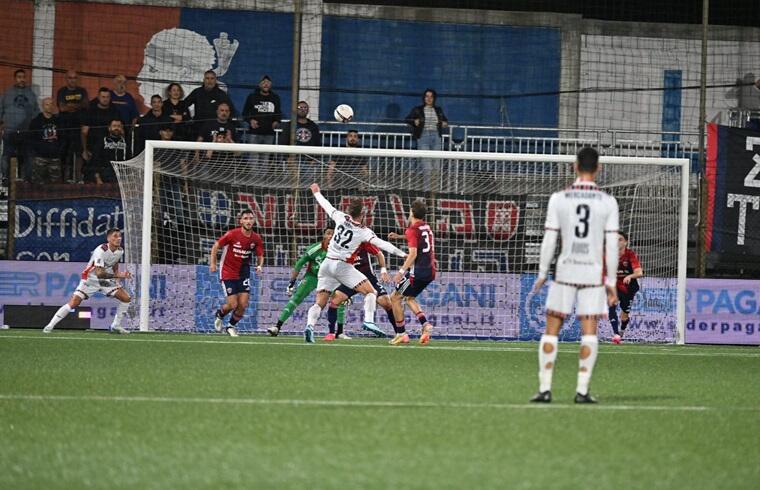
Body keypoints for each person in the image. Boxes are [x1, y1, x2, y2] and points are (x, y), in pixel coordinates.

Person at [529, 147, 619, 404]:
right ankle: (581, 391)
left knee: (551, 328)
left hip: (566, 270)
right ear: (598, 168)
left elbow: (550, 238)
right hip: (592, 274)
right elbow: (611, 245)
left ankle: (545, 389)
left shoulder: (559, 198)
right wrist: (611, 281)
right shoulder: (607, 202)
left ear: (574, 166)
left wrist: (543, 271)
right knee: (589, 330)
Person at [304, 183, 406, 343]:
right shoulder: (363, 231)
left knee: (320, 302)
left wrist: (316, 192)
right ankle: (369, 321)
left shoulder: (339, 216)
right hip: (342, 266)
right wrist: (402, 254)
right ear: (362, 214)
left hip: (327, 264)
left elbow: (326, 205)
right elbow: (382, 244)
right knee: (371, 292)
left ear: (349, 211)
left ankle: (310, 326)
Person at [43, 228, 131, 334]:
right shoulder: (100, 251)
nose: (119, 238)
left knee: (126, 298)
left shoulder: (120, 250)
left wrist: (116, 276)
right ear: (108, 238)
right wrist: (117, 275)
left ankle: (115, 325)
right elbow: (99, 274)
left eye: (120, 236)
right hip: (91, 279)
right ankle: (50, 326)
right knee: (74, 303)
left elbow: (115, 262)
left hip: (105, 281)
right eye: (115, 236)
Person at [267, 227, 349, 339]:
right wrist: (292, 282)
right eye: (328, 233)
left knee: (339, 301)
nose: (330, 236)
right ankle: (277, 327)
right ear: (324, 235)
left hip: (330, 279)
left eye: (333, 234)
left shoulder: (340, 251)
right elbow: (299, 264)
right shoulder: (315, 249)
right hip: (312, 277)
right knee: (296, 298)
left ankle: (339, 332)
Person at [387, 200, 437, 345]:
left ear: (412, 213)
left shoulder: (412, 230)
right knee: (409, 298)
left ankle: (402, 333)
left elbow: (413, 253)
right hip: (430, 272)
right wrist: (399, 237)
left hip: (418, 273)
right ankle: (426, 325)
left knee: (395, 298)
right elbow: (417, 240)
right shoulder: (426, 227)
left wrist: (401, 272)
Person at [209, 209, 265, 337]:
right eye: (245, 218)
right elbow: (216, 246)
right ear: (241, 221)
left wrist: (259, 266)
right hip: (228, 272)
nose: (248, 221)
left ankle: (230, 326)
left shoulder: (256, 238)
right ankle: (220, 314)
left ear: (254, 221)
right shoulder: (232, 234)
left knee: (243, 304)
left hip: (243, 273)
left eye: (251, 218)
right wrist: (213, 263)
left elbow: (260, 254)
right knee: (233, 304)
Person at [329, 241, 396, 340]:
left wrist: (383, 270)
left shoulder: (363, 244)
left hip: (370, 280)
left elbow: (379, 254)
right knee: (335, 299)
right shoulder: (341, 248)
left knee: (386, 302)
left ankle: (399, 332)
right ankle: (334, 333)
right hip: (351, 281)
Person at [0, 69, 39, 182]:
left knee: (28, 157)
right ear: (15, 78)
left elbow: (36, 112)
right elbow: (0, 110)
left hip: (26, 132)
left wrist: (34, 128)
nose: (22, 79)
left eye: (23, 77)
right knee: (6, 156)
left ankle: (27, 180)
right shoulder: (7, 93)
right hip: (10, 131)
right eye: (19, 77)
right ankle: (5, 180)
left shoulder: (31, 94)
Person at [405, 88, 448, 187]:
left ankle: (434, 192)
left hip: (436, 137)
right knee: (427, 166)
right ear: (424, 98)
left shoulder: (438, 110)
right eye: (427, 96)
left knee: (436, 166)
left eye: (431, 96)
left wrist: (444, 123)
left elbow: (445, 121)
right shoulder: (418, 109)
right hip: (423, 136)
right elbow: (407, 119)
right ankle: (427, 192)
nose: (429, 98)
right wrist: (414, 121)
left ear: (434, 98)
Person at [610, 231, 644, 344]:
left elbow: (639, 273)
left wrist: (630, 276)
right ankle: (616, 334)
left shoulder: (630, 255)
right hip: (614, 285)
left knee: (624, 315)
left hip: (628, 288)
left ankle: (622, 331)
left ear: (625, 242)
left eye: (620, 239)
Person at [56, 70, 88, 181]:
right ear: (66, 79)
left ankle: (78, 178)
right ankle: (63, 179)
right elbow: (62, 108)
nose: (72, 80)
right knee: (64, 153)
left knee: (79, 153)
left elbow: (85, 104)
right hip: (64, 127)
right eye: (70, 78)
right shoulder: (61, 91)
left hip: (78, 127)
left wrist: (70, 106)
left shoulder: (82, 91)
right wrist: (77, 106)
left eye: (74, 78)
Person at [80, 87, 122, 168]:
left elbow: (120, 129)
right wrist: (84, 150)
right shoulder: (90, 110)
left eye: (107, 97)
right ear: (98, 97)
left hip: (110, 148)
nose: (105, 99)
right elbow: (84, 132)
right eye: (103, 97)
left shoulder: (114, 110)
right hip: (93, 147)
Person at [27, 97, 62, 184]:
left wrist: (59, 151)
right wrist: (37, 151)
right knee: (37, 184)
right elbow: (31, 139)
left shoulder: (59, 121)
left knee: (55, 185)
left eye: (51, 104)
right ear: (42, 106)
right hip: (40, 158)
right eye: (47, 104)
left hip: (55, 157)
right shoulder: (36, 122)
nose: (49, 106)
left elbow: (63, 138)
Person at [86, 119, 131, 185]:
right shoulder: (102, 141)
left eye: (119, 126)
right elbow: (95, 160)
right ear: (109, 128)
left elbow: (129, 160)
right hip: (105, 174)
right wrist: (98, 178)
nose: (116, 128)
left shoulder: (126, 142)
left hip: (121, 176)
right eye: (114, 126)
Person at [242, 75, 281, 145]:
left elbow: (278, 114)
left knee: (267, 156)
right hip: (254, 133)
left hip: (269, 133)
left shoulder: (275, 98)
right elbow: (244, 114)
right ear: (259, 84)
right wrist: (250, 121)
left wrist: (276, 121)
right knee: (254, 156)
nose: (266, 84)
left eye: (268, 82)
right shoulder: (252, 97)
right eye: (263, 82)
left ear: (271, 84)